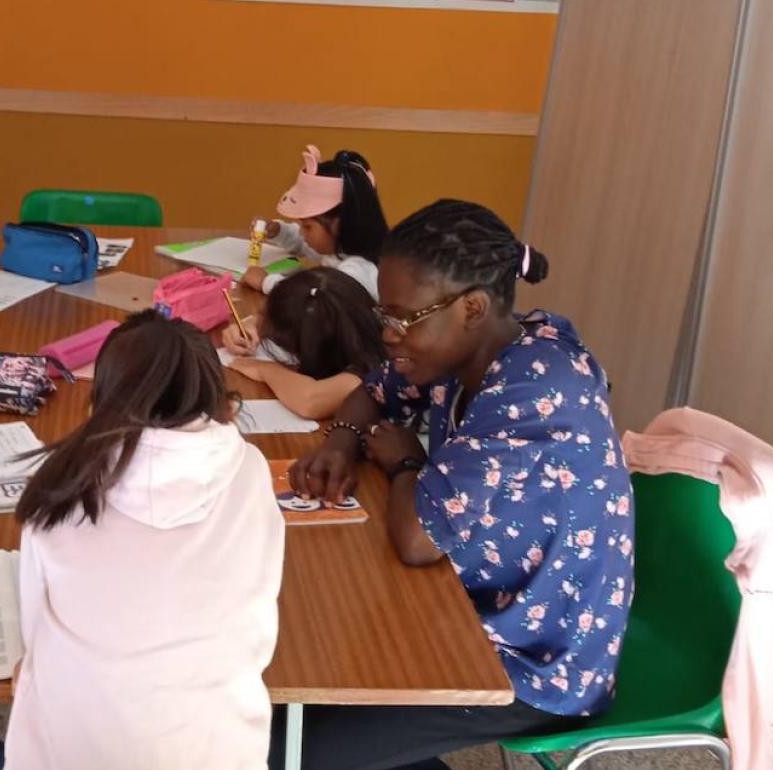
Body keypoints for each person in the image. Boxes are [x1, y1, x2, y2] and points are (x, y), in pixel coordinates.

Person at [281, 199, 635, 769]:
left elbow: (419, 540)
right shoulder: (458, 354)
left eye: (403, 319)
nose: (390, 337)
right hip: (467, 602)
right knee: (292, 699)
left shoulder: (538, 389)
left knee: (298, 750)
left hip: (536, 656)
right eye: (384, 317)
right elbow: (376, 390)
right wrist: (341, 441)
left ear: (472, 307)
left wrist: (404, 464)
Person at [0, 310, 286, 770]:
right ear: (220, 403)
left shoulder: (64, 485)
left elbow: (33, 643)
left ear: (100, 402)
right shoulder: (250, 467)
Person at [221, 268, 384, 419]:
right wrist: (253, 326)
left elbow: (311, 402)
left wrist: (264, 369)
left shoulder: (373, 367)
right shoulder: (340, 316)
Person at [243, 144, 387, 300]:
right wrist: (279, 231)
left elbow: (314, 302)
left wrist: (266, 282)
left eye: (307, 226)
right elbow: (304, 245)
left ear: (338, 225)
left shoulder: (356, 272)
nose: (302, 232)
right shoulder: (339, 251)